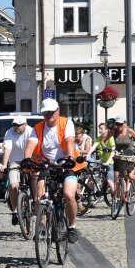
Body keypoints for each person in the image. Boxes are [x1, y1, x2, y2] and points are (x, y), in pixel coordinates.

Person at [24, 98, 84, 244]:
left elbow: (69, 140)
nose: (49, 115)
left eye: (52, 112)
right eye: (46, 113)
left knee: (69, 195)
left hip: (66, 165)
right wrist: (27, 159)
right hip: (47, 165)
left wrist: (69, 158)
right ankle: (43, 226)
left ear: (58, 111)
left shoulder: (66, 123)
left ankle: (71, 226)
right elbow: (31, 144)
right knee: (40, 196)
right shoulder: (37, 128)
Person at [0, 115, 36, 226]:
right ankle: (15, 211)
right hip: (14, 161)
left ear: (25, 124)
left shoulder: (31, 131)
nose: (16, 128)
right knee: (13, 185)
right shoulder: (9, 132)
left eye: (18, 125)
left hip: (29, 160)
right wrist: (4, 164)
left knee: (35, 178)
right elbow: (7, 149)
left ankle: (35, 201)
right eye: (14, 125)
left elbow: (34, 146)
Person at [112, 115, 135, 195]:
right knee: (117, 176)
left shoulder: (129, 131)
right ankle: (121, 197)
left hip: (130, 155)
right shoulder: (114, 131)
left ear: (124, 123)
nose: (119, 126)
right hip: (119, 156)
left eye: (121, 124)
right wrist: (105, 147)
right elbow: (103, 141)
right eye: (117, 124)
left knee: (130, 176)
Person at [87, 122, 116, 196]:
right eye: (99, 128)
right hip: (102, 160)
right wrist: (87, 155)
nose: (99, 130)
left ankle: (116, 196)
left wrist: (108, 162)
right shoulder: (99, 138)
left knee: (109, 181)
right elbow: (93, 147)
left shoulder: (110, 138)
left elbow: (113, 152)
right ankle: (91, 192)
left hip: (110, 162)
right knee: (92, 173)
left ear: (106, 130)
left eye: (101, 128)